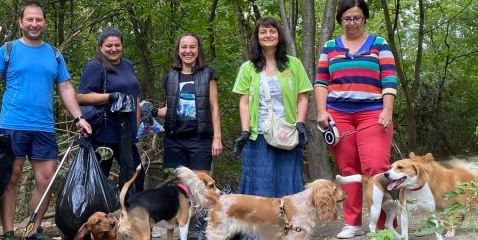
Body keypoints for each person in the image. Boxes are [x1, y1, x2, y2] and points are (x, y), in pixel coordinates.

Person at [0, 1, 91, 240]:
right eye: (29, 19)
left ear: (44, 22)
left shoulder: (54, 54)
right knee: (11, 179)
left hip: (43, 128)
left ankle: (33, 232)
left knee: (46, 179)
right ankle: (8, 235)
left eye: (38, 20)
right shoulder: (8, 50)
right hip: (12, 124)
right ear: (20, 22)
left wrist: (78, 118)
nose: (34, 24)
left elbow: (65, 87)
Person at [314, 0, 397, 239]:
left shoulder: (379, 44)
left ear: (364, 18)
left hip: (373, 113)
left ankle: (383, 224)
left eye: (357, 18)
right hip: (339, 114)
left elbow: (389, 80)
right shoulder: (330, 48)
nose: (352, 22)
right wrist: (322, 111)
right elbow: (321, 82)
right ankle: (353, 223)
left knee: (376, 168)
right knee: (347, 169)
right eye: (347, 18)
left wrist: (387, 110)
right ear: (340, 19)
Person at [233, 17, 312, 197]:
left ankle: (287, 224)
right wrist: (245, 131)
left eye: (272, 31)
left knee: (287, 180)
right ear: (257, 37)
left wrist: (300, 123)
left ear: (279, 35)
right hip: (257, 134)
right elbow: (244, 101)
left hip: (288, 132)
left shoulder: (294, 64)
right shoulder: (248, 68)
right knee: (259, 181)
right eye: (263, 31)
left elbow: (303, 97)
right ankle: (258, 224)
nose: (268, 35)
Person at [76, 28, 145, 194]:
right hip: (104, 133)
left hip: (125, 133)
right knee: (98, 178)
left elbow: (134, 95)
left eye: (117, 45)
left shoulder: (127, 65)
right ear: (101, 47)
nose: (113, 49)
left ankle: (130, 215)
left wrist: (135, 127)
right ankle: (95, 219)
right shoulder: (95, 66)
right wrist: (110, 97)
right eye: (109, 46)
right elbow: (81, 97)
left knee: (136, 174)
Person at [157, 34, 223, 176]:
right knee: (183, 187)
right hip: (175, 139)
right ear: (178, 50)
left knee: (200, 186)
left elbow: (214, 107)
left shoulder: (207, 74)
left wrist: (217, 138)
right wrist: (152, 111)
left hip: (200, 138)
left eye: (192, 47)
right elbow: (170, 109)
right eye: (184, 47)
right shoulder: (171, 76)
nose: (188, 51)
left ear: (198, 50)